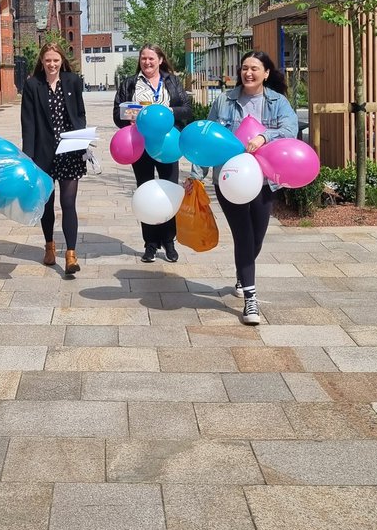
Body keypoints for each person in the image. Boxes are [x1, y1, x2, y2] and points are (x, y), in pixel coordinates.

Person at [208, 49, 298, 325]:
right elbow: (208, 138)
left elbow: (290, 129)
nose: (248, 73)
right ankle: (250, 298)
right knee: (244, 235)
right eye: (245, 68)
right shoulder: (224, 100)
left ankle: (241, 272)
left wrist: (264, 135)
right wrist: (195, 175)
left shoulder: (277, 102)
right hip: (230, 179)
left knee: (257, 237)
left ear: (266, 73)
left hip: (264, 180)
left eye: (254, 68)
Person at [113, 43, 193, 263]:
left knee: (169, 191)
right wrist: (126, 117)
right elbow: (116, 114)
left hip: (168, 145)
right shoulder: (130, 83)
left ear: (160, 60)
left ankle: (169, 242)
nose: (147, 62)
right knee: (145, 191)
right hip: (140, 145)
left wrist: (170, 111)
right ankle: (149, 244)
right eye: (143, 58)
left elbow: (187, 109)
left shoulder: (172, 82)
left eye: (151, 58)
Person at [21, 41, 88, 276]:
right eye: (48, 60)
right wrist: (28, 156)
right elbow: (27, 123)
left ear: (62, 61)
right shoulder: (32, 85)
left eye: (56, 60)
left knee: (68, 203)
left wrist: (83, 141)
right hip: (43, 154)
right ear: (42, 61)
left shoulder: (73, 81)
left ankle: (71, 254)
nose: (51, 64)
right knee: (47, 204)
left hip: (70, 152)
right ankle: (49, 245)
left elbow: (80, 113)